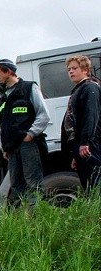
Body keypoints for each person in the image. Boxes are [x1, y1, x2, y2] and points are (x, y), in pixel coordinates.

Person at [0, 58, 50, 205]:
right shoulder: (4, 98)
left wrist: (30, 135)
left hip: (28, 145)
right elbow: (2, 125)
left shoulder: (29, 88)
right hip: (12, 149)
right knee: (16, 185)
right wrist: (4, 146)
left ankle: (37, 218)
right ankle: (25, 221)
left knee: (33, 183)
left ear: (9, 71)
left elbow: (43, 115)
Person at [61, 55, 101, 190]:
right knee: (88, 185)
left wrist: (86, 142)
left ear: (85, 70)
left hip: (92, 143)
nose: (71, 71)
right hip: (82, 145)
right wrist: (75, 155)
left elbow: (91, 116)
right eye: (69, 69)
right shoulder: (79, 89)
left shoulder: (90, 88)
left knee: (95, 183)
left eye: (74, 68)